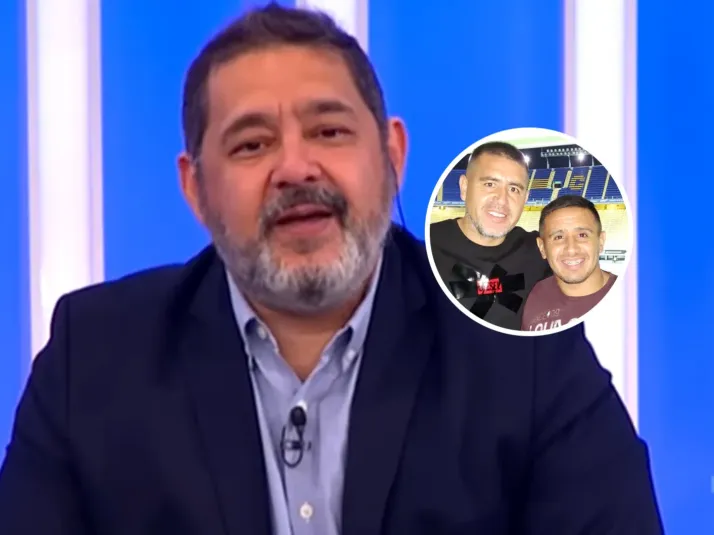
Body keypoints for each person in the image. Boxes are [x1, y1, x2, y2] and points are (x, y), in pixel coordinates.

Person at [0, 5, 662, 535]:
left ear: (392, 156)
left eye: (329, 131)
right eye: (251, 143)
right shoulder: (95, 358)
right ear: (196, 189)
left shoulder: (518, 343)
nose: (295, 167)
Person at [429, 142, 551, 331]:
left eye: (514, 189)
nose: (502, 200)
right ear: (464, 187)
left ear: (525, 199)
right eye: (489, 184)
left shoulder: (540, 249)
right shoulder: (425, 246)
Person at [522, 195, 618, 332]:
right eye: (558, 237)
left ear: (601, 241)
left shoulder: (633, 301)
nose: (571, 249)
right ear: (542, 248)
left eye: (582, 235)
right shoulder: (535, 294)